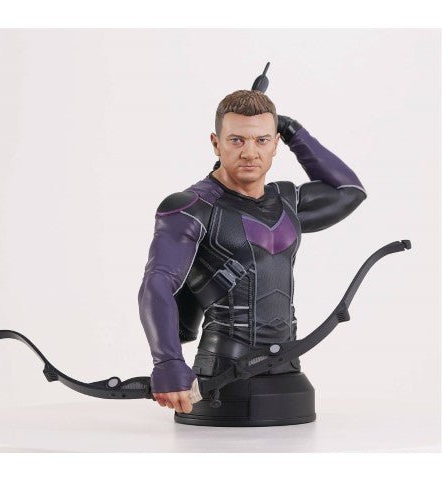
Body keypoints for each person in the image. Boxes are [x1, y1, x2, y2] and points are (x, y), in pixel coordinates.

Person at [137, 90, 367, 415]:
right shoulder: (191, 207)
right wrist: (167, 362)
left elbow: (350, 192)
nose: (250, 152)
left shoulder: (285, 201)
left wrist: (292, 129)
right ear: (216, 143)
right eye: (236, 140)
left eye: (261, 140)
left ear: (275, 144)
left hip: (287, 369)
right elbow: (157, 282)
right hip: (222, 374)